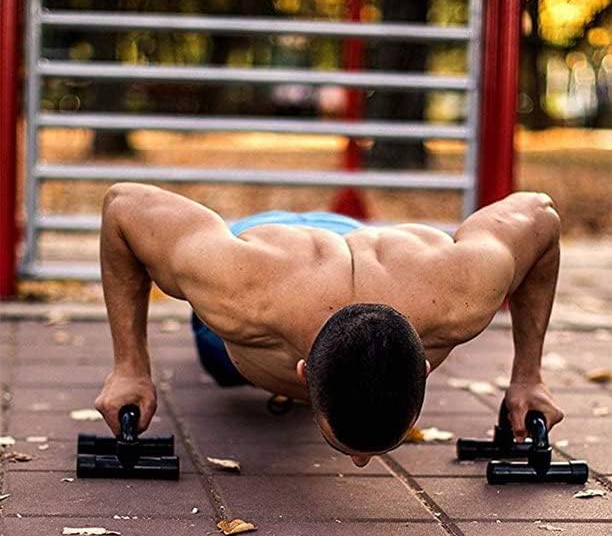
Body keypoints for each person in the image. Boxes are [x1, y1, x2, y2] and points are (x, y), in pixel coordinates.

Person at [95, 182, 564, 468]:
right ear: (301, 373)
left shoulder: (464, 289)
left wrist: (529, 378)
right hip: (269, 245)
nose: (361, 462)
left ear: (421, 367)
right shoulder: (235, 287)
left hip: (371, 244)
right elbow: (123, 205)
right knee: (217, 354)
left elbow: (541, 215)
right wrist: (129, 368)